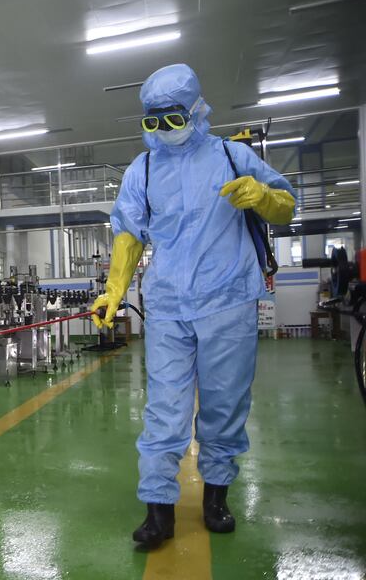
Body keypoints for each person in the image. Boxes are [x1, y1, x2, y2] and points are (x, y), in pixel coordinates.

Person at [90, 64, 295, 548]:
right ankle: (158, 510)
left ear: (197, 111)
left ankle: (216, 497)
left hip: (229, 300)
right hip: (167, 306)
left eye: (173, 119)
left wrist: (262, 196)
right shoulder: (141, 169)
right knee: (164, 408)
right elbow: (127, 233)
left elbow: (289, 205)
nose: (163, 130)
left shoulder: (232, 154)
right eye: (152, 120)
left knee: (224, 404)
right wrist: (114, 290)